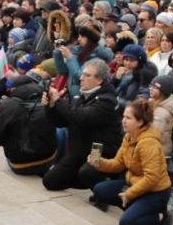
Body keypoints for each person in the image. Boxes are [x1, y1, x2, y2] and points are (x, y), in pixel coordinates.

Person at [87, 99, 173, 225]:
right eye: (124, 116)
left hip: (155, 192)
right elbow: (118, 163)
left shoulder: (148, 143)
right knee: (99, 190)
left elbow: (151, 178)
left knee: (126, 223)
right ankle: (137, 208)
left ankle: (162, 217)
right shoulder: (129, 136)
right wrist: (100, 163)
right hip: (134, 185)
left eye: (128, 118)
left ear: (140, 122)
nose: (123, 121)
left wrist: (129, 194)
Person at [41, 59, 122, 192]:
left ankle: (106, 190)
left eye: (86, 75)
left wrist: (58, 101)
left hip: (101, 153)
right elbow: (62, 122)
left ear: (99, 80)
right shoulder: (81, 96)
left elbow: (81, 117)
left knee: (86, 173)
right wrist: (51, 106)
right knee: (50, 181)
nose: (81, 78)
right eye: (82, 74)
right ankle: (91, 181)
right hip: (80, 153)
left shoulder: (107, 100)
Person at [0, 65, 58, 176]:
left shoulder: (9, 105)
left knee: (7, 128)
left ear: (13, 89)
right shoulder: (47, 98)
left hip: (21, 165)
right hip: (49, 159)